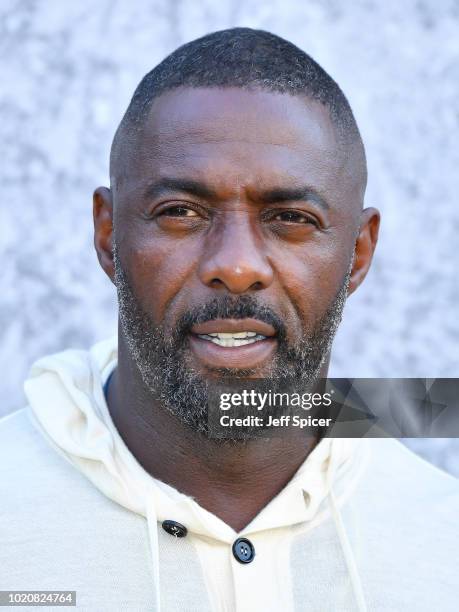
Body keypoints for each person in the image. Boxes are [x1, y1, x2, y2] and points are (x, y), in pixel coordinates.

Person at [1, 27, 458, 612]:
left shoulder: (444, 543)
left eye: (291, 216)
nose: (236, 266)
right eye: (181, 212)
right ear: (108, 234)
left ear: (359, 254)